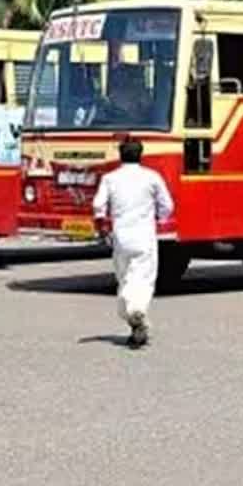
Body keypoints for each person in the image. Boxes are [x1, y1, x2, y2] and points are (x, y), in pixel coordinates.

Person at [92, 139, 175, 349]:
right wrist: (159, 217)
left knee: (125, 278)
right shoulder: (151, 177)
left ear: (120, 155)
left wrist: (102, 226)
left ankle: (132, 318)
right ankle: (136, 312)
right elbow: (167, 206)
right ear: (141, 154)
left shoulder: (110, 179)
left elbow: (98, 206)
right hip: (144, 235)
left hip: (121, 237)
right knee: (143, 279)